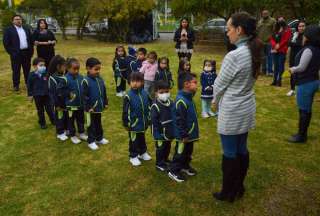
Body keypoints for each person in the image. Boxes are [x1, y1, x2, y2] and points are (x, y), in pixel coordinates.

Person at [212, 12, 263, 202]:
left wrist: (214, 101)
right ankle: (239, 187)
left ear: (239, 30)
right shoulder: (254, 50)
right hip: (246, 105)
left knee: (230, 152)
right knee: (242, 147)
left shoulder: (235, 55)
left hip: (233, 109)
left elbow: (219, 85)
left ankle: (228, 192)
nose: (227, 33)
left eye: (229, 29)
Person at [288, 25, 320, 143]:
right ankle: (303, 133)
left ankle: (301, 136)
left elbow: (302, 67)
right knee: (307, 109)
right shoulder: (317, 49)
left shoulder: (308, 49)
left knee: (303, 110)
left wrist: (292, 69)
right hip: (313, 81)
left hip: (305, 82)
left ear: (308, 36)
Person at [168, 72, 199, 183]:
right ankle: (174, 170)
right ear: (186, 84)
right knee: (180, 152)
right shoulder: (181, 101)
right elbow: (179, 120)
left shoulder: (188, 98)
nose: (197, 85)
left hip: (189, 134)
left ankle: (185, 166)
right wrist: (183, 134)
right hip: (183, 135)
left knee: (188, 151)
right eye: (195, 83)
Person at [122, 72, 152, 167]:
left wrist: (149, 118)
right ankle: (133, 156)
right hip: (133, 124)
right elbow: (125, 111)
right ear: (129, 82)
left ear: (142, 82)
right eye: (132, 81)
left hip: (143, 123)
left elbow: (150, 106)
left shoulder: (145, 93)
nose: (135, 83)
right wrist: (126, 123)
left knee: (142, 138)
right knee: (134, 140)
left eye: (137, 81)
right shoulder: (128, 96)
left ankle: (142, 152)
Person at [58, 58, 87, 144]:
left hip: (81, 104)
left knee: (81, 119)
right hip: (71, 105)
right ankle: (73, 135)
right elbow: (59, 90)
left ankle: (81, 133)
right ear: (68, 68)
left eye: (78, 68)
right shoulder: (65, 79)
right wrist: (68, 94)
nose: (76, 71)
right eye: (74, 69)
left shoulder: (81, 77)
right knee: (71, 120)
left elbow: (84, 88)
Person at [82, 57, 109, 150]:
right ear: (88, 69)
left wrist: (105, 102)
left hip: (98, 107)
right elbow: (84, 96)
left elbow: (103, 91)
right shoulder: (85, 81)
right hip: (90, 109)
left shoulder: (100, 79)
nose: (98, 71)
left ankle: (99, 138)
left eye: (99, 69)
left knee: (98, 123)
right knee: (91, 125)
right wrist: (88, 107)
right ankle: (91, 141)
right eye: (96, 69)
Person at [3, 14, 34, 91]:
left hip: (26, 52)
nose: (18, 20)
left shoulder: (26, 28)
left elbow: (30, 40)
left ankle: (28, 84)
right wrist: (12, 53)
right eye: (16, 19)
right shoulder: (9, 30)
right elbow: (6, 43)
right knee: (16, 70)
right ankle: (16, 85)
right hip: (16, 53)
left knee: (27, 69)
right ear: (13, 21)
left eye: (19, 19)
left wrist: (31, 51)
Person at [151, 81, 175, 172]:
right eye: (161, 92)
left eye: (166, 91)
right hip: (159, 133)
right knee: (160, 148)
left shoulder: (171, 102)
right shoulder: (155, 106)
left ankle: (165, 159)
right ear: (156, 93)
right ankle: (159, 164)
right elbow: (154, 122)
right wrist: (157, 134)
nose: (164, 94)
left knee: (167, 146)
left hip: (169, 132)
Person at [27, 57, 55, 129]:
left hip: (47, 95)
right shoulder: (31, 75)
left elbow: (50, 83)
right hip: (37, 96)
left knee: (50, 109)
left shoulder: (46, 74)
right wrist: (30, 95)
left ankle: (53, 120)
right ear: (35, 66)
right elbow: (29, 86)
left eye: (44, 65)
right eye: (41, 65)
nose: (43, 67)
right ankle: (42, 123)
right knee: (40, 110)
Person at [48, 55, 68, 141]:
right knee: (59, 117)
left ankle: (66, 129)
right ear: (58, 66)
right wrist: (57, 104)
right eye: (64, 65)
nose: (65, 67)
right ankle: (60, 132)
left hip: (66, 101)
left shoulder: (64, 76)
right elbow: (53, 93)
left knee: (66, 116)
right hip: (58, 103)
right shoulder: (53, 78)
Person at [287, 20, 306, 97]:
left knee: (301, 73)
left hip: (302, 57)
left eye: (303, 26)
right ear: (297, 27)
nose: (301, 28)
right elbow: (289, 43)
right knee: (292, 73)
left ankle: (300, 90)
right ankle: (292, 89)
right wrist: (294, 42)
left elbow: (300, 45)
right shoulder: (295, 34)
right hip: (293, 56)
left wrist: (293, 43)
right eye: (299, 26)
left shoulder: (306, 35)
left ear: (305, 27)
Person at [270, 20, 292, 87]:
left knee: (281, 66)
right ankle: (274, 81)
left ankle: (279, 80)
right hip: (275, 50)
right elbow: (271, 38)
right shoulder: (275, 29)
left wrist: (279, 45)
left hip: (282, 50)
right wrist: (274, 45)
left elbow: (286, 40)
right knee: (275, 66)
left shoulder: (287, 30)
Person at [257, 10, 276, 76]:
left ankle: (270, 71)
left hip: (269, 42)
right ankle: (263, 71)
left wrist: (272, 39)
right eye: (263, 14)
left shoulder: (273, 21)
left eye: (266, 13)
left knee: (270, 57)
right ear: (262, 14)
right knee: (262, 57)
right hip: (261, 42)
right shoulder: (259, 21)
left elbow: (275, 31)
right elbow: (257, 31)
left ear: (268, 14)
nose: (264, 14)